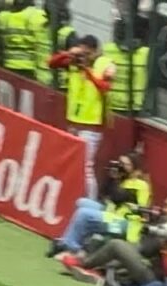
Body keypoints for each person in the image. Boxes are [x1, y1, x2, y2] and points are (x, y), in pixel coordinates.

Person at [48, 34, 116, 199]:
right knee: (71, 163)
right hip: (73, 121)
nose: (83, 56)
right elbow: (51, 63)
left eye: (86, 53)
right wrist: (68, 54)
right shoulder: (74, 62)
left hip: (92, 125)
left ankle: (90, 201)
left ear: (94, 51)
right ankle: (70, 196)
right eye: (82, 52)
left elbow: (105, 86)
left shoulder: (105, 64)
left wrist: (88, 71)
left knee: (86, 166)